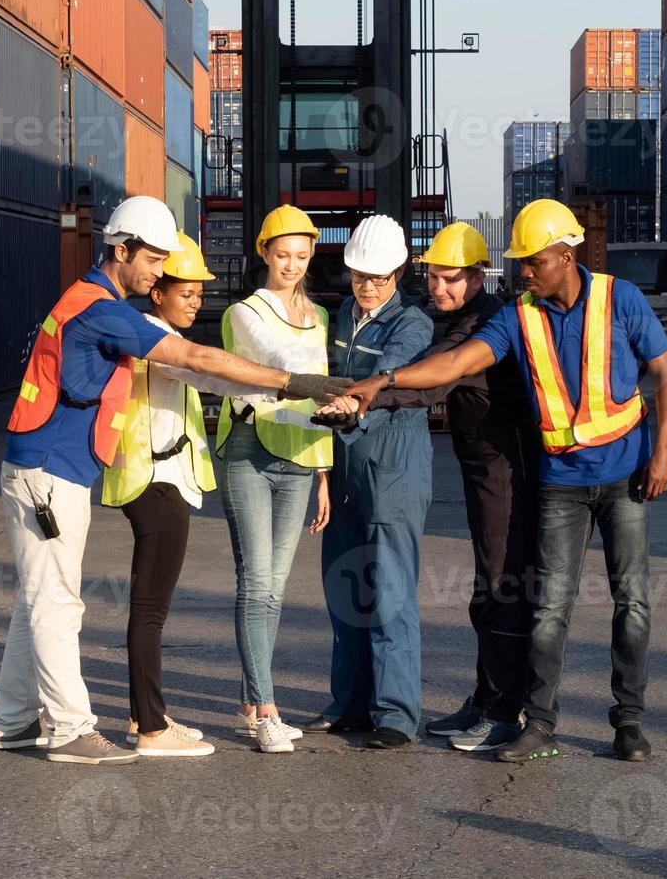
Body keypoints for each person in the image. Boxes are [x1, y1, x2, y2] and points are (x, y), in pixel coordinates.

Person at [0, 196, 348, 766]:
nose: (161, 270)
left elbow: (192, 369)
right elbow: (194, 357)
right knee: (57, 603)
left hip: (49, 470)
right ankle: (69, 729)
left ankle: (14, 720)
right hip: (48, 474)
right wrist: (292, 381)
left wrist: (283, 388)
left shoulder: (100, 303)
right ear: (121, 250)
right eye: (154, 260)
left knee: (35, 601)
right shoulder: (104, 311)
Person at [338, 199, 667, 764]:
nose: (522, 269)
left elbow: (666, 373)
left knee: (630, 601)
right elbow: (450, 365)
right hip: (559, 481)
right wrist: (383, 380)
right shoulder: (517, 316)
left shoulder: (620, 298)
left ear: (565, 257)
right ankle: (531, 721)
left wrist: (662, 453)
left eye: (531, 260)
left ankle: (623, 722)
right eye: (518, 260)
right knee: (545, 606)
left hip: (617, 477)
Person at [318, 222, 539, 754]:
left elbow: (433, 379)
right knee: (357, 587)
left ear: (477, 276)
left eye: (451, 280)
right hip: (459, 463)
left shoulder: (485, 319)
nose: (439, 289)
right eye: (434, 278)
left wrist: (367, 396)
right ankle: (470, 700)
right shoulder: (369, 314)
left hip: (502, 467)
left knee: (496, 586)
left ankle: (496, 709)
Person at [101, 233, 276, 758]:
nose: (197, 300)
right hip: (156, 482)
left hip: (159, 478)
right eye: (187, 291)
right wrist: (284, 385)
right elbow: (207, 372)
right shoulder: (153, 337)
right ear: (158, 293)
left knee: (149, 606)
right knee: (150, 610)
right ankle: (152, 729)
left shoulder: (150, 330)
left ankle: (143, 716)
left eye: (201, 292)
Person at [298, 214, 434, 750]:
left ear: (399, 272)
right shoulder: (340, 318)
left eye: (378, 278)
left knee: (390, 593)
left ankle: (396, 716)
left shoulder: (412, 325)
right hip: (347, 466)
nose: (368, 286)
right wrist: (324, 472)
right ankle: (349, 705)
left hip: (394, 470)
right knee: (344, 587)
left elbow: (385, 381)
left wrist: (354, 404)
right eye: (359, 276)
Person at [215, 205, 336, 754]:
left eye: (301, 256)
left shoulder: (323, 317)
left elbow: (321, 407)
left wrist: (324, 475)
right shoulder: (245, 313)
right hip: (249, 450)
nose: (291, 264)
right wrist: (346, 386)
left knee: (277, 588)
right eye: (282, 254)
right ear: (264, 253)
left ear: (312, 256)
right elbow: (280, 361)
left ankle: (246, 704)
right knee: (256, 584)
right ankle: (266, 710)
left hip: (301, 457)